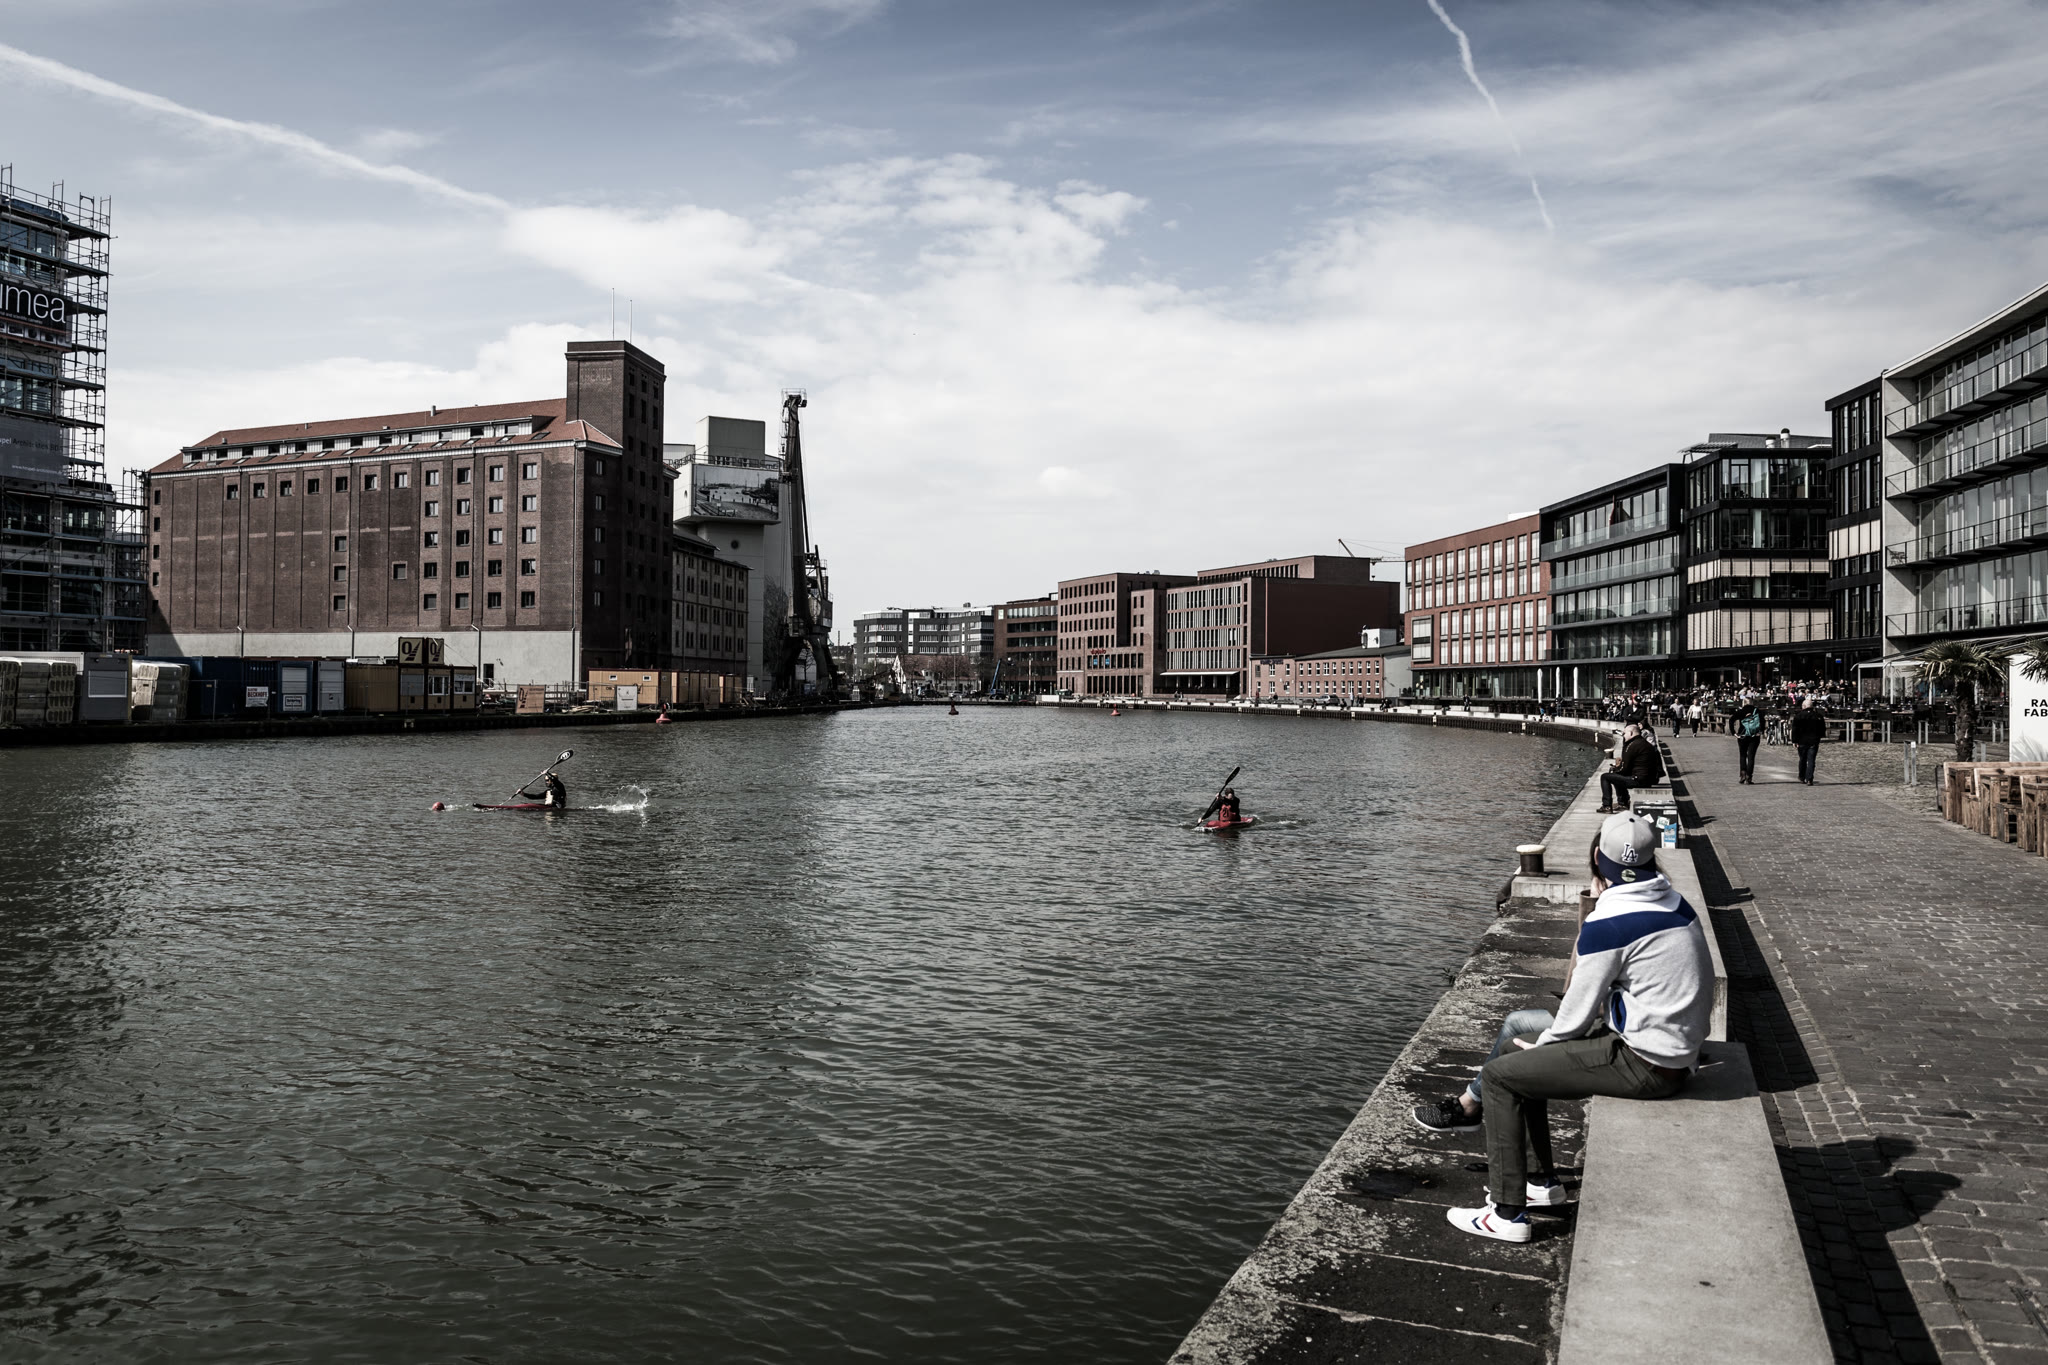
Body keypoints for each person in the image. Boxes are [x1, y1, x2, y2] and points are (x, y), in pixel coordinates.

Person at [1446, 813, 1714, 1243]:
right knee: (1516, 1045)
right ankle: (1539, 1182)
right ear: (1652, 860)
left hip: (1647, 1063)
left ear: (1596, 858)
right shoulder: (1674, 902)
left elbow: (1575, 1014)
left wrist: (1544, 1046)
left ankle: (1507, 1214)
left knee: (1500, 1076)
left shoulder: (1611, 921)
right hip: (1670, 1047)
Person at [1597, 723, 1661, 814]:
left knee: (1605, 777)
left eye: (1624, 733)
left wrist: (1615, 769)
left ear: (1631, 733)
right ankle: (1622, 803)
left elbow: (1624, 768)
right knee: (1616, 776)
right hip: (1649, 779)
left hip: (1639, 780)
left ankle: (1607, 805)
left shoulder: (1631, 746)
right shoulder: (1644, 743)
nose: (1623, 735)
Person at [1791, 697, 1826, 785]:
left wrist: (1794, 741)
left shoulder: (1798, 716)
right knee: (1811, 760)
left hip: (1802, 741)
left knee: (1802, 759)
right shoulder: (1818, 716)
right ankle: (1809, 778)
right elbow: (1822, 729)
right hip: (1813, 741)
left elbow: (1795, 729)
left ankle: (1802, 776)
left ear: (1803, 706)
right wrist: (1819, 737)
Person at [1731, 700, 1763, 783]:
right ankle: (1749, 776)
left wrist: (1734, 732)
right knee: (1751, 756)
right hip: (1754, 736)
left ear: (1743, 703)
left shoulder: (1741, 711)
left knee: (1743, 755)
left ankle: (1743, 775)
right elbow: (1763, 721)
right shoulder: (1757, 711)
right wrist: (1760, 731)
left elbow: (1731, 720)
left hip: (1742, 735)